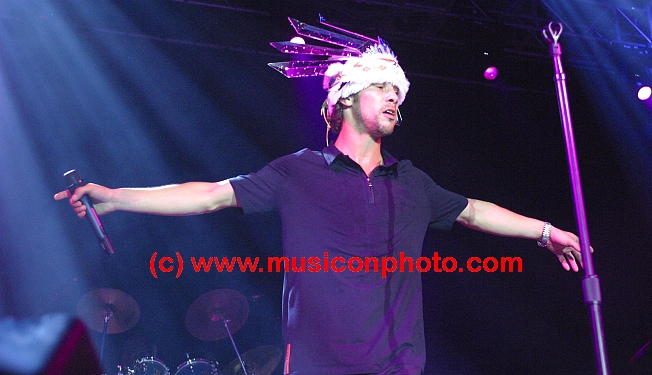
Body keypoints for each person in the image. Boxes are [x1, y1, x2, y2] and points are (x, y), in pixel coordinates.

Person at [55, 25, 585, 375]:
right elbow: (211, 196)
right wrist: (116, 198)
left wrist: (545, 231)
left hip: (398, 366)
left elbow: (473, 210)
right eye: (382, 88)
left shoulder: (412, 183)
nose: (394, 96)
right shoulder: (297, 172)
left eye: (398, 92)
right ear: (347, 97)